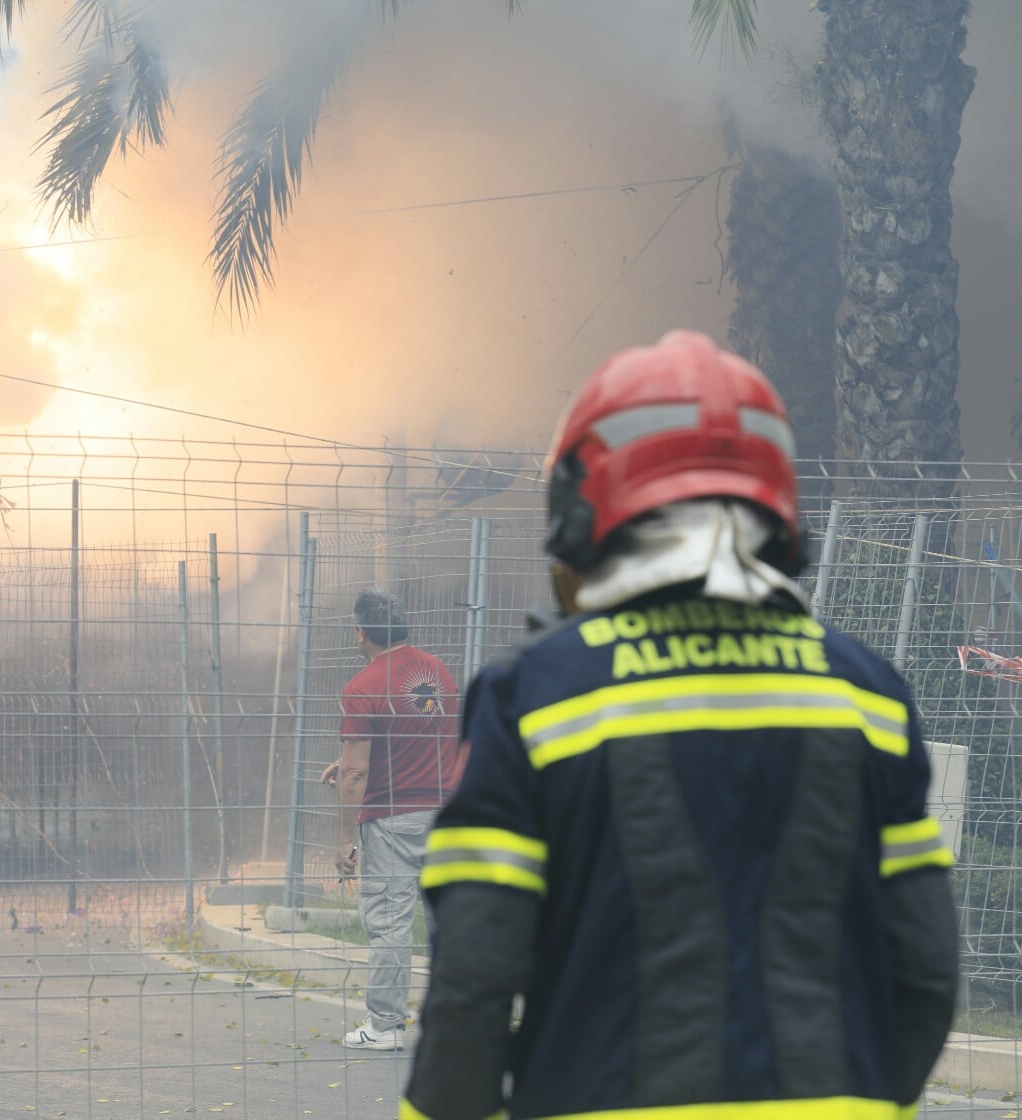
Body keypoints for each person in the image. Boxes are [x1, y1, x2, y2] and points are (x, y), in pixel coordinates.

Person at [401, 330, 959, 1120]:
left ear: (581, 510)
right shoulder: (868, 695)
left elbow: (475, 979)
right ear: (777, 506)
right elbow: (928, 971)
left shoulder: (533, 697)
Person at [320, 589, 461, 1052]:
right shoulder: (437, 672)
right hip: (447, 813)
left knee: (389, 922)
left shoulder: (362, 687)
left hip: (393, 820)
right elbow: (417, 734)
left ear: (360, 633)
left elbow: (358, 770)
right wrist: (347, 763)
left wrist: (343, 840)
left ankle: (384, 1026)